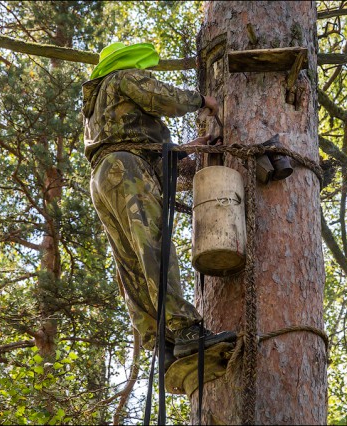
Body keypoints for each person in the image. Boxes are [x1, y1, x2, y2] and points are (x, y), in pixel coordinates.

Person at [81, 42, 235, 366]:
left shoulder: (97, 108)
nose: (145, 72)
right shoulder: (122, 77)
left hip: (102, 179)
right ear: (127, 62)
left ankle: (161, 344)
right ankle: (185, 331)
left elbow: (136, 142)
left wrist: (184, 149)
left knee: (132, 264)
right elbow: (160, 97)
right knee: (155, 246)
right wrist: (203, 100)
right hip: (126, 169)